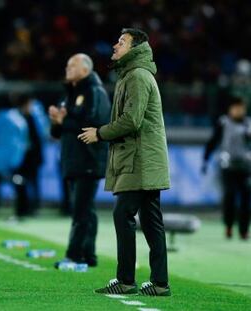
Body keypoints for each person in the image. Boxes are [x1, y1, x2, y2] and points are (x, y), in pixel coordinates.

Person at [78, 28, 171, 296]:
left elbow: (132, 120)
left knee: (124, 214)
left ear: (136, 48)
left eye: (122, 42)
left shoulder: (138, 76)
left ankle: (126, 280)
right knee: (151, 220)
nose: (115, 45)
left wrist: (100, 133)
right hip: (142, 158)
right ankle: (160, 282)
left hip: (139, 159)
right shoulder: (133, 75)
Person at [49, 53, 110, 268]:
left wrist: (66, 119)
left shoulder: (94, 91)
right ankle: (89, 255)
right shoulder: (70, 94)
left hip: (89, 159)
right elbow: (58, 132)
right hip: (73, 159)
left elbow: (95, 123)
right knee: (86, 209)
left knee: (80, 210)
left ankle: (74, 254)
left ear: (85, 69)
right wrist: (56, 122)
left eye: (72, 65)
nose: (67, 68)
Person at [202, 97, 251, 240]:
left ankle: (243, 231)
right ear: (230, 109)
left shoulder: (248, 124)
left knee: (245, 200)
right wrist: (205, 159)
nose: (238, 111)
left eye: (241, 108)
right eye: (236, 108)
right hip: (228, 167)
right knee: (229, 196)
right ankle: (229, 226)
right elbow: (213, 141)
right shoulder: (223, 123)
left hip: (246, 167)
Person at [12, 94, 47, 217]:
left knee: (33, 183)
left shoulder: (34, 118)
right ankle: (22, 207)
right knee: (20, 182)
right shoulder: (16, 119)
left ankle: (33, 207)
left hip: (32, 158)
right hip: (20, 158)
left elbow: (40, 137)